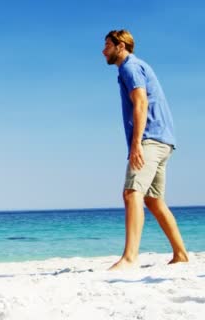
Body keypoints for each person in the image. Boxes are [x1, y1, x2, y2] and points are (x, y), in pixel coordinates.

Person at [102, 30, 189, 270]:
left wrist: (136, 143)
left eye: (108, 45)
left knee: (132, 192)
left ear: (121, 46)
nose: (103, 50)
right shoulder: (137, 66)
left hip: (150, 139)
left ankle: (130, 257)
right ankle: (180, 253)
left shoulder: (129, 67)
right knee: (153, 200)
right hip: (164, 140)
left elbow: (141, 102)